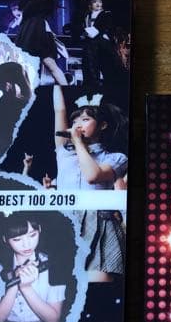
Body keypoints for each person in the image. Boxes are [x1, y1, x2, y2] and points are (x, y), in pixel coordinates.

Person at [49, 87, 128, 282]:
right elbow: (59, 110)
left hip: (101, 224)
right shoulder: (63, 150)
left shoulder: (115, 158)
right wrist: (56, 81)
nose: (78, 125)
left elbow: (93, 176)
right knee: (68, 291)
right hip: (66, 223)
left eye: (85, 120)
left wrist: (78, 143)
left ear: (102, 125)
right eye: (75, 121)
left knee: (97, 286)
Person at [0, 214, 67, 322]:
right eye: (17, 239)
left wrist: (26, 288)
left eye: (32, 235)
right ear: (5, 239)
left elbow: (53, 321)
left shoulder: (54, 266)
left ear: (40, 230)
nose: (27, 244)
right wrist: (14, 283)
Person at [14, 0, 69, 85]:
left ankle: (65, 89)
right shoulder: (35, 0)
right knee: (32, 64)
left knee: (50, 64)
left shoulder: (46, 0)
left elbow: (34, 12)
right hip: (29, 31)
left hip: (36, 31)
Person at [80, 0, 119, 88]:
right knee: (88, 63)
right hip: (89, 42)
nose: (98, 4)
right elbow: (83, 26)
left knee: (103, 63)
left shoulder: (106, 14)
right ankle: (90, 83)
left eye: (100, 2)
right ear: (90, 5)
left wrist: (95, 33)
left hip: (101, 42)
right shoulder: (87, 15)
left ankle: (104, 84)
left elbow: (106, 27)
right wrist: (84, 34)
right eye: (95, 2)